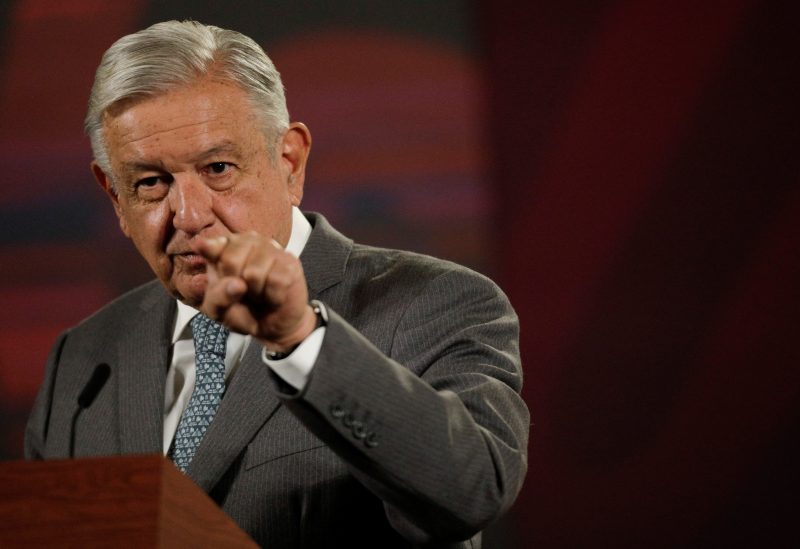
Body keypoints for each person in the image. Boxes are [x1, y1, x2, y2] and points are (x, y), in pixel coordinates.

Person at [25, 20, 529, 548]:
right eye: (151, 183)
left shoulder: (432, 303)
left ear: (289, 162)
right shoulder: (83, 356)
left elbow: (472, 490)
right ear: (114, 198)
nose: (190, 215)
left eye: (218, 168)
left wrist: (300, 341)